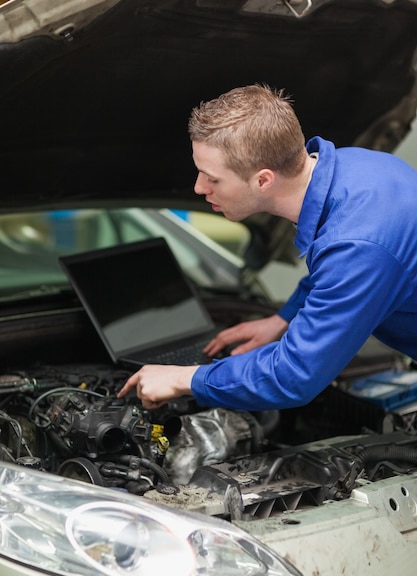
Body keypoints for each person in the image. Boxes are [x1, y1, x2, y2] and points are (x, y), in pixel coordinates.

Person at [118, 83, 417, 411]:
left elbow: (293, 377)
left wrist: (183, 379)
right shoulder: (356, 166)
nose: (199, 187)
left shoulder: (357, 245)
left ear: (263, 180)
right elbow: (335, 275)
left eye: (212, 178)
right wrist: (282, 319)